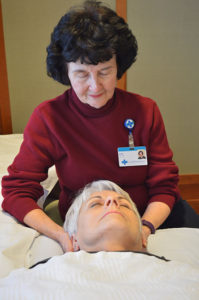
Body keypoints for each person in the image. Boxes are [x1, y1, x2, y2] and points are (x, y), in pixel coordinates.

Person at [2, 0, 197, 253]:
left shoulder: (145, 111)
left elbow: (164, 185)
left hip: (148, 215)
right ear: (65, 72)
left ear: (119, 68)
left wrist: (145, 228)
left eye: (105, 72)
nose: (95, 86)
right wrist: (61, 236)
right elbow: (17, 192)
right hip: (89, 225)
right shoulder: (49, 117)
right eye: (82, 74)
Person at [63, 180, 145, 252]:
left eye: (124, 205)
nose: (112, 200)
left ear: (142, 238)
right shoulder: (55, 267)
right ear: (74, 241)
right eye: (96, 204)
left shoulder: (157, 267)